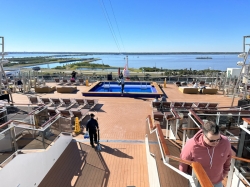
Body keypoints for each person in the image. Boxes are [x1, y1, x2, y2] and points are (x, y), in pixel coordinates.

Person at [179, 121, 232, 187]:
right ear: (203, 135)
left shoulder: (225, 142)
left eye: (218, 139)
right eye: (212, 140)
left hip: (217, 182)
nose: (216, 142)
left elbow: (228, 158)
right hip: (197, 182)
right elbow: (183, 164)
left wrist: (224, 173)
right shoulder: (191, 145)